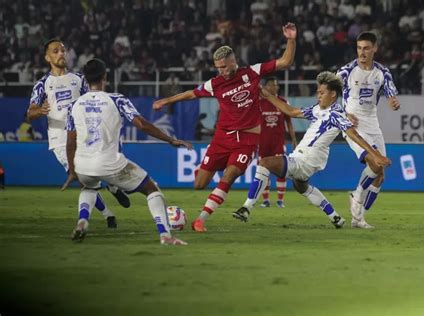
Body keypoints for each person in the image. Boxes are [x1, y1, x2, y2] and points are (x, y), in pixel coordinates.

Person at [153, 23, 297, 232]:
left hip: (247, 140)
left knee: (229, 176)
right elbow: (191, 93)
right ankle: (204, 169)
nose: (221, 71)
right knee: (199, 184)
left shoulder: (252, 73)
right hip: (222, 138)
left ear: (233, 61)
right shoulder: (215, 83)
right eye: (218, 68)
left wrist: (291, 39)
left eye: (224, 66)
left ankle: (200, 219)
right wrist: (166, 101)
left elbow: (285, 61)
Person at [232, 72, 391, 227]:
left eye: (322, 92)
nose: (318, 95)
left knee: (265, 162)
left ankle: (246, 208)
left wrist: (375, 154)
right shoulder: (317, 109)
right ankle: (335, 217)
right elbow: (291, 111)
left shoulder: (336, 114)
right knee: (301, 186)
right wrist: (267, 94)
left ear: (333, 94)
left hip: (305, 160)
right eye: (317, 92)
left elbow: (354, 134)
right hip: (304, 159)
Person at [63, 58, 192, 245]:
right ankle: (166, 236)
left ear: (85, 78)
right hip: (109, 162)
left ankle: (83, 220)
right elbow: (143, 125)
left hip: (82, 164)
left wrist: (73, 171)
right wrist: (170, 139)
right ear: (105, 76)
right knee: (151, 188)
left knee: (89, 186)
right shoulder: (116, 100)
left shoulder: (74, 105)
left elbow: (70, 141)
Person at [27, 38, 130, 228]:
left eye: (63, 50)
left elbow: (93, 98)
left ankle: (113, 188)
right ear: (47, 57)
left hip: (82, 135)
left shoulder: (78, 80)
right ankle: (107, 214)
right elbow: (30, 112)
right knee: (84, 179)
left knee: (97, 170)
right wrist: (39, 110)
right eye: (56, 51)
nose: (61, 54)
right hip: (59, 140)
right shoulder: (42, 84)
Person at [336, 32, 401, 228]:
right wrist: (343, 114)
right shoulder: (346, 71)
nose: (362, 52)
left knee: (380, 175)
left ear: (375, 49)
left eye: (366, 48)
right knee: (375, 162)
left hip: (373, 123)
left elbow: (391, 93)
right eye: (359, 48)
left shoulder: (382, 72)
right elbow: (324, 93)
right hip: (352, 125)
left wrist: (393, 101)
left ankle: (359, 217)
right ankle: (356, 195)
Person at [258, 76, 297, 208]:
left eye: (276, 84)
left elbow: (289, 123)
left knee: (282, 170)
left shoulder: (282, 102)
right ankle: (266, 200)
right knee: (264, 170)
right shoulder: (259, 103)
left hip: (278, 142)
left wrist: (293, 139)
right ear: (265, 87)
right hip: (263, 142)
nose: (276, 87)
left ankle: (280, 200)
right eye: (272, 85)